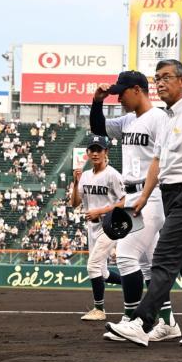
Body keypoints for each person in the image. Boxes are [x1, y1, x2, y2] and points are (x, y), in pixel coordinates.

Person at [106, 59, 182, 347]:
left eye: (166, 77)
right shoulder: (166, 119)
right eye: (157, 78)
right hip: (171, 196)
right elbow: (157, 162)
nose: (160, 83)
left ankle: (142, 322)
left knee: (163, 259)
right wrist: (143, 198)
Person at [90, 71, 179, 342]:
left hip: (149, 194)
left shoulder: (159, 118)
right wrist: (97, 101)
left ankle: (131, 320)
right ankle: (168, 322)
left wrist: (149, 194)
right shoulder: (128, 120)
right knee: (148, 264)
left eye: (122, 93)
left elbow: (165, 159)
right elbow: (98, 127)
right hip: (131, 195)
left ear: (138, 90)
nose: (118, 98)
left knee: (126, 256)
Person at [70, 134, 124, 321]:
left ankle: (99, 309)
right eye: (92, 150)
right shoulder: (85, 176)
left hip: (109, 226)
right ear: (87, 152)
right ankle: (134, 282)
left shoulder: (112, 175)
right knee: (104, 273)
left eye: (99, 150)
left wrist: (100, 211)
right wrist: (76, 182)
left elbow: (125, 201)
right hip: (92, 227)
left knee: (92, 265)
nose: (95, 153)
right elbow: (74, 203)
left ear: (106, 152)